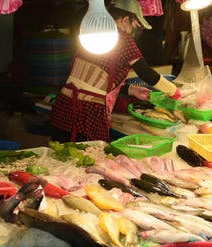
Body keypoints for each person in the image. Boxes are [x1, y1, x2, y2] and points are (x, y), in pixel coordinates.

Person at [51, 0, 180, 142]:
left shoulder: (92, 32)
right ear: (126, 20)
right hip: (88, 111)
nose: (135, 32)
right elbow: (145, 73)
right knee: (89, 155)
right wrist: (174, 92)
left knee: (61, 155)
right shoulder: (122, 38)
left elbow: (96, 80)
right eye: (135, 25)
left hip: (64, 104)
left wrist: (130, 89)